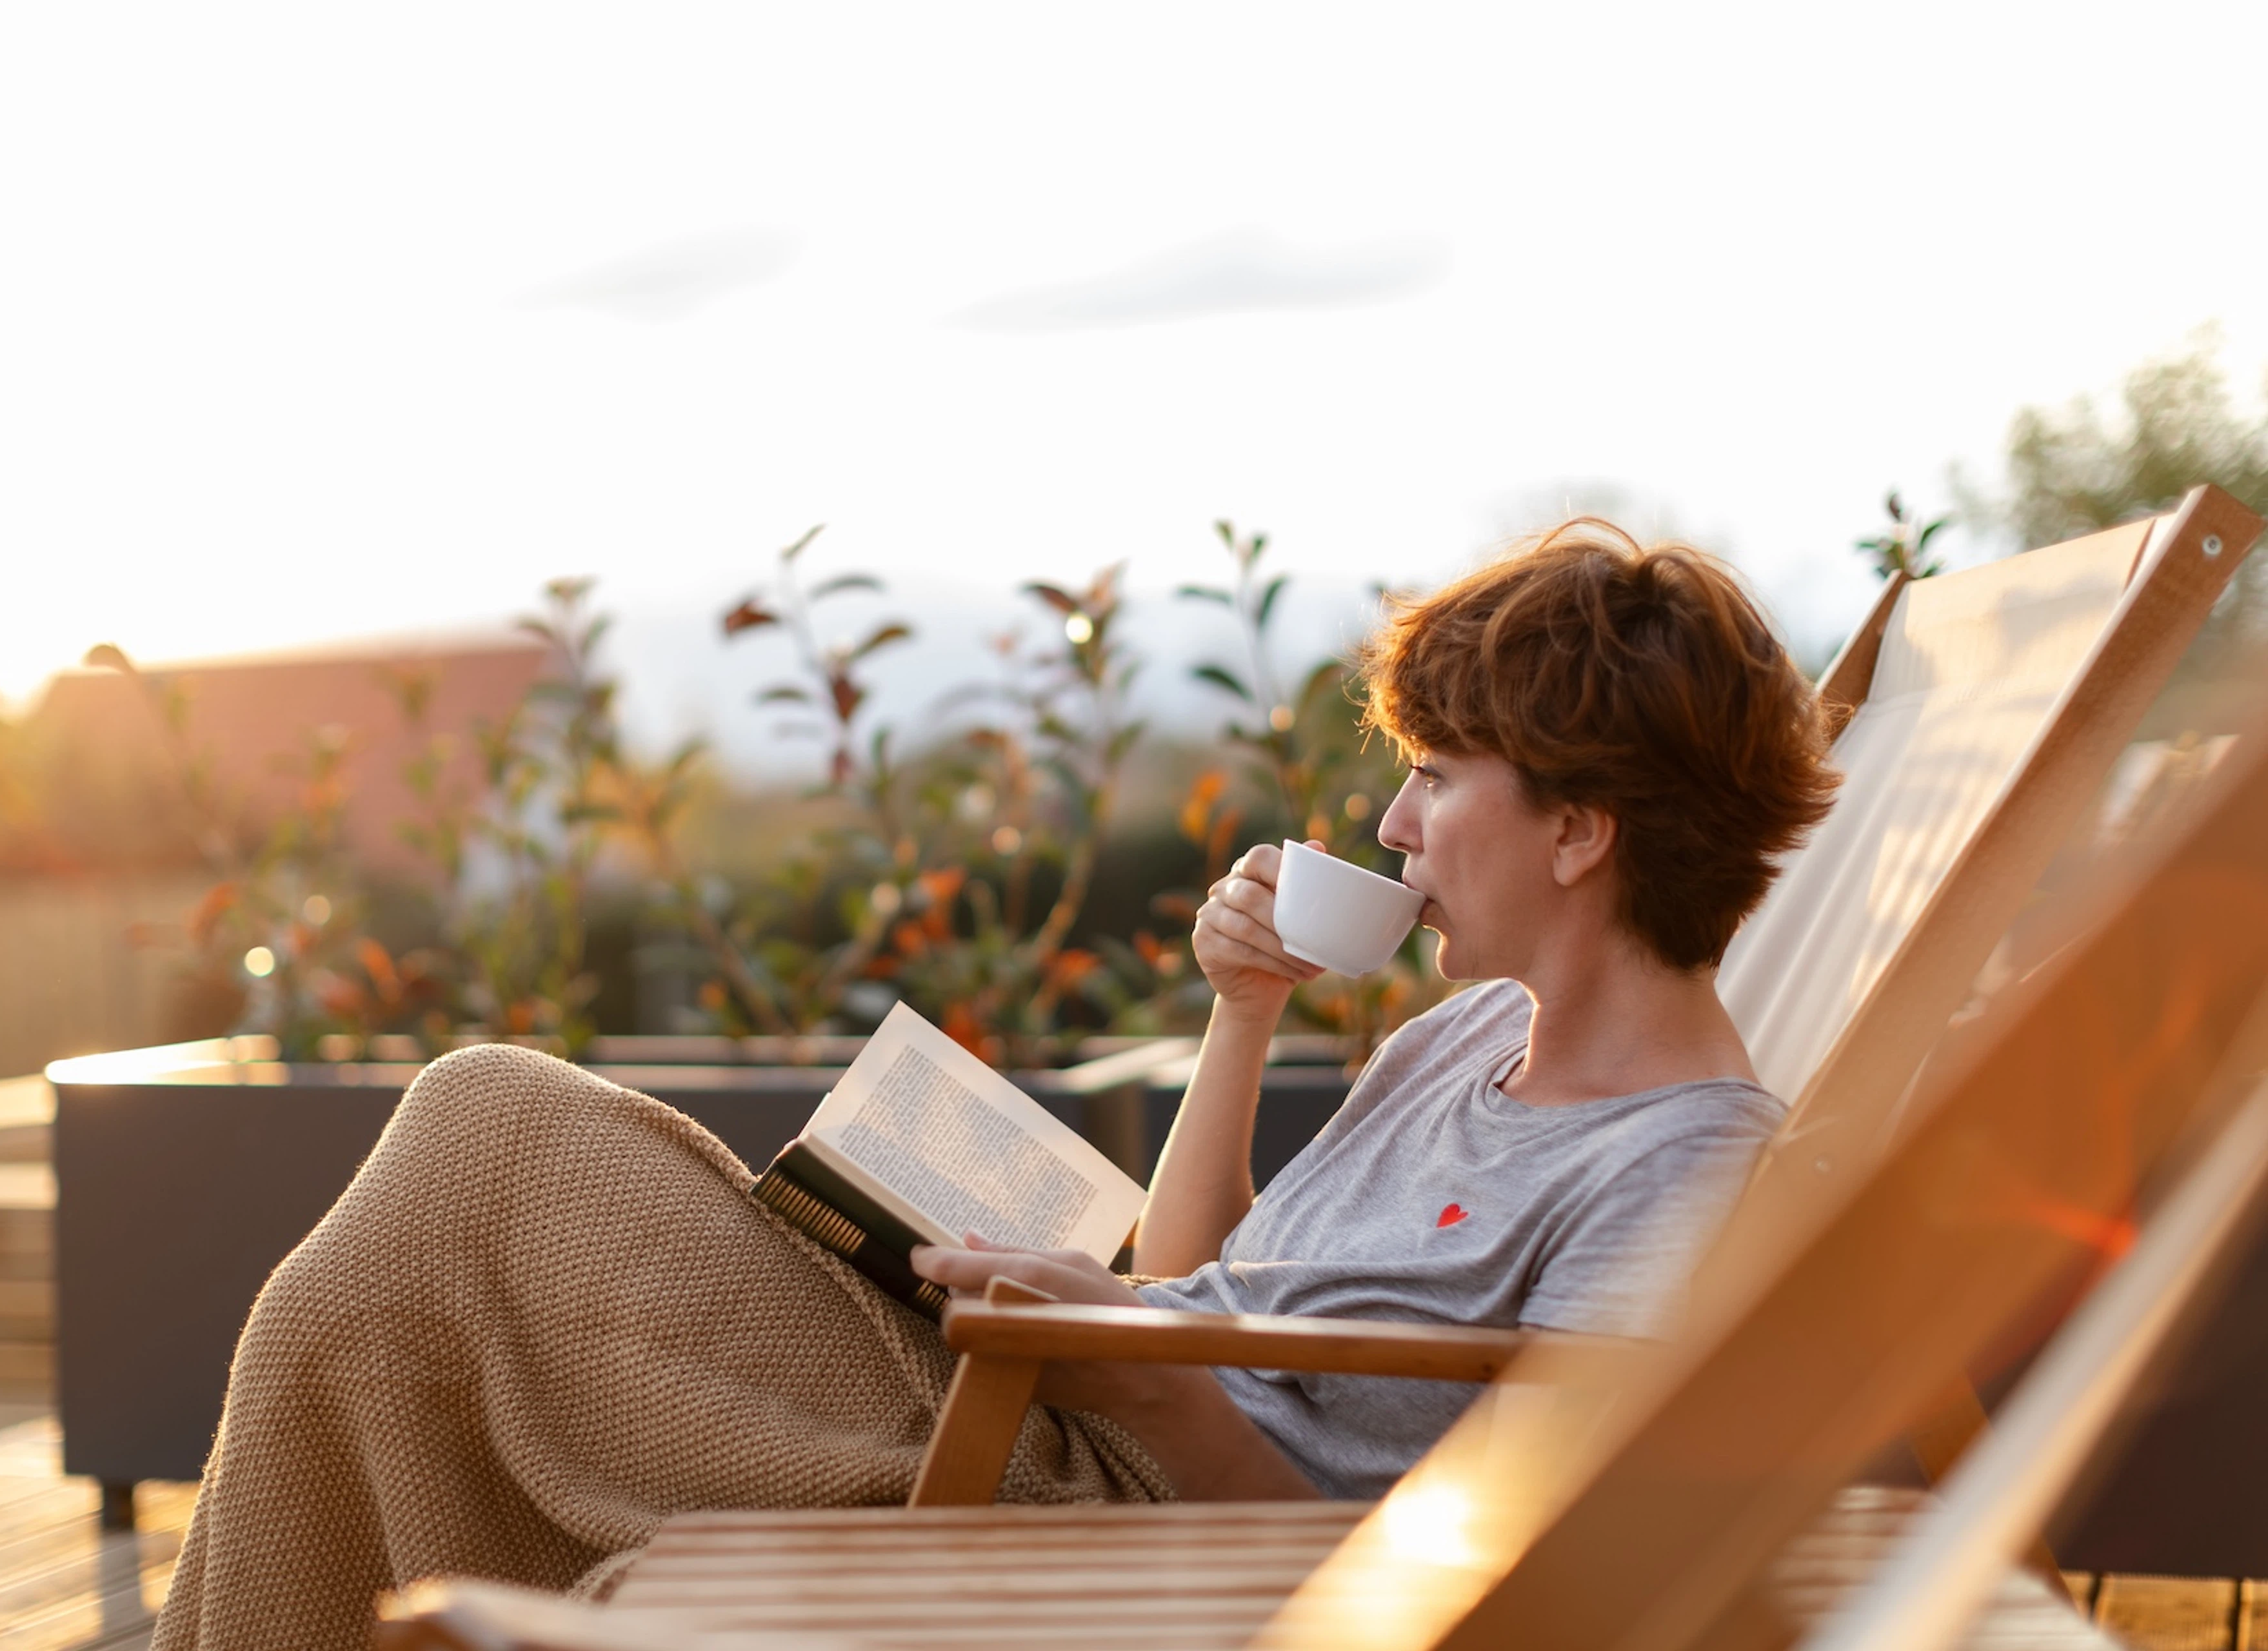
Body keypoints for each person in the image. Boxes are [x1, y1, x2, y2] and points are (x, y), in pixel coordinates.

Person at [152, 519, 1837, 1649]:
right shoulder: (1463, 1038)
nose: (1391, 828)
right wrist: (1239, 1015)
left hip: (1117, 1501)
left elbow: (1526, 1570)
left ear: (1579, 826)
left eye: (1437, 779)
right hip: (1082, 1389)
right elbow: (1200, 1284)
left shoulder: (1683, 1173)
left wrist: (1146, 1377)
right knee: (456, 1177)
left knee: (480, 1151)